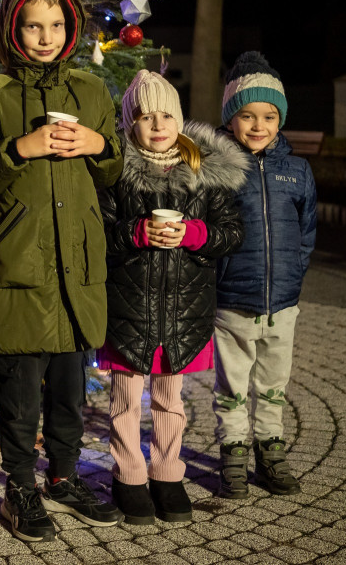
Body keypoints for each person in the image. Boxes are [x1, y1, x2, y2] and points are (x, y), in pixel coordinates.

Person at [0, 0, 124, 541]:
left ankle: (63, 476)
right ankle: (20, 486)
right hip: (21, 257)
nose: (45, 36)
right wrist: (20, 148)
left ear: (71, 28)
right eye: (33, 26)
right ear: (14, 29)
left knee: (69, 384)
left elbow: (113, 170)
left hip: (77, 260)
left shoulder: (92, 92)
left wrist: (99, 144)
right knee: (19, 386)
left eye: (56, 25)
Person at [97, 70, 248, 525]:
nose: (157, 124)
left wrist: (195, 233)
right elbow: (100, 233)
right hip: (130, 307)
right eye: (145, 117)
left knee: (170, 399)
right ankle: (128, 477)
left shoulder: (205, 171)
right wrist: (137, 232)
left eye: (166, 114)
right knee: (126, 400)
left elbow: (231, 233)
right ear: (129, 125)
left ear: (179, 119)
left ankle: (167, 473)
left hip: (186, 309)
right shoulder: (115, 172)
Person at [212, 51, 317, 498]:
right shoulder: (218, 168)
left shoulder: (297, 170)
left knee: (273, 383)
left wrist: (294, 273)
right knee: (232, 384)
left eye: (269, 116)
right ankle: (233, 453)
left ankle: (270, 453)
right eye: (248, 115)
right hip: (233, 300)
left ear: (280, 119)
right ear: (231, 119)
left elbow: (307, 230)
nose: (259, 126)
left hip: (283, 302)